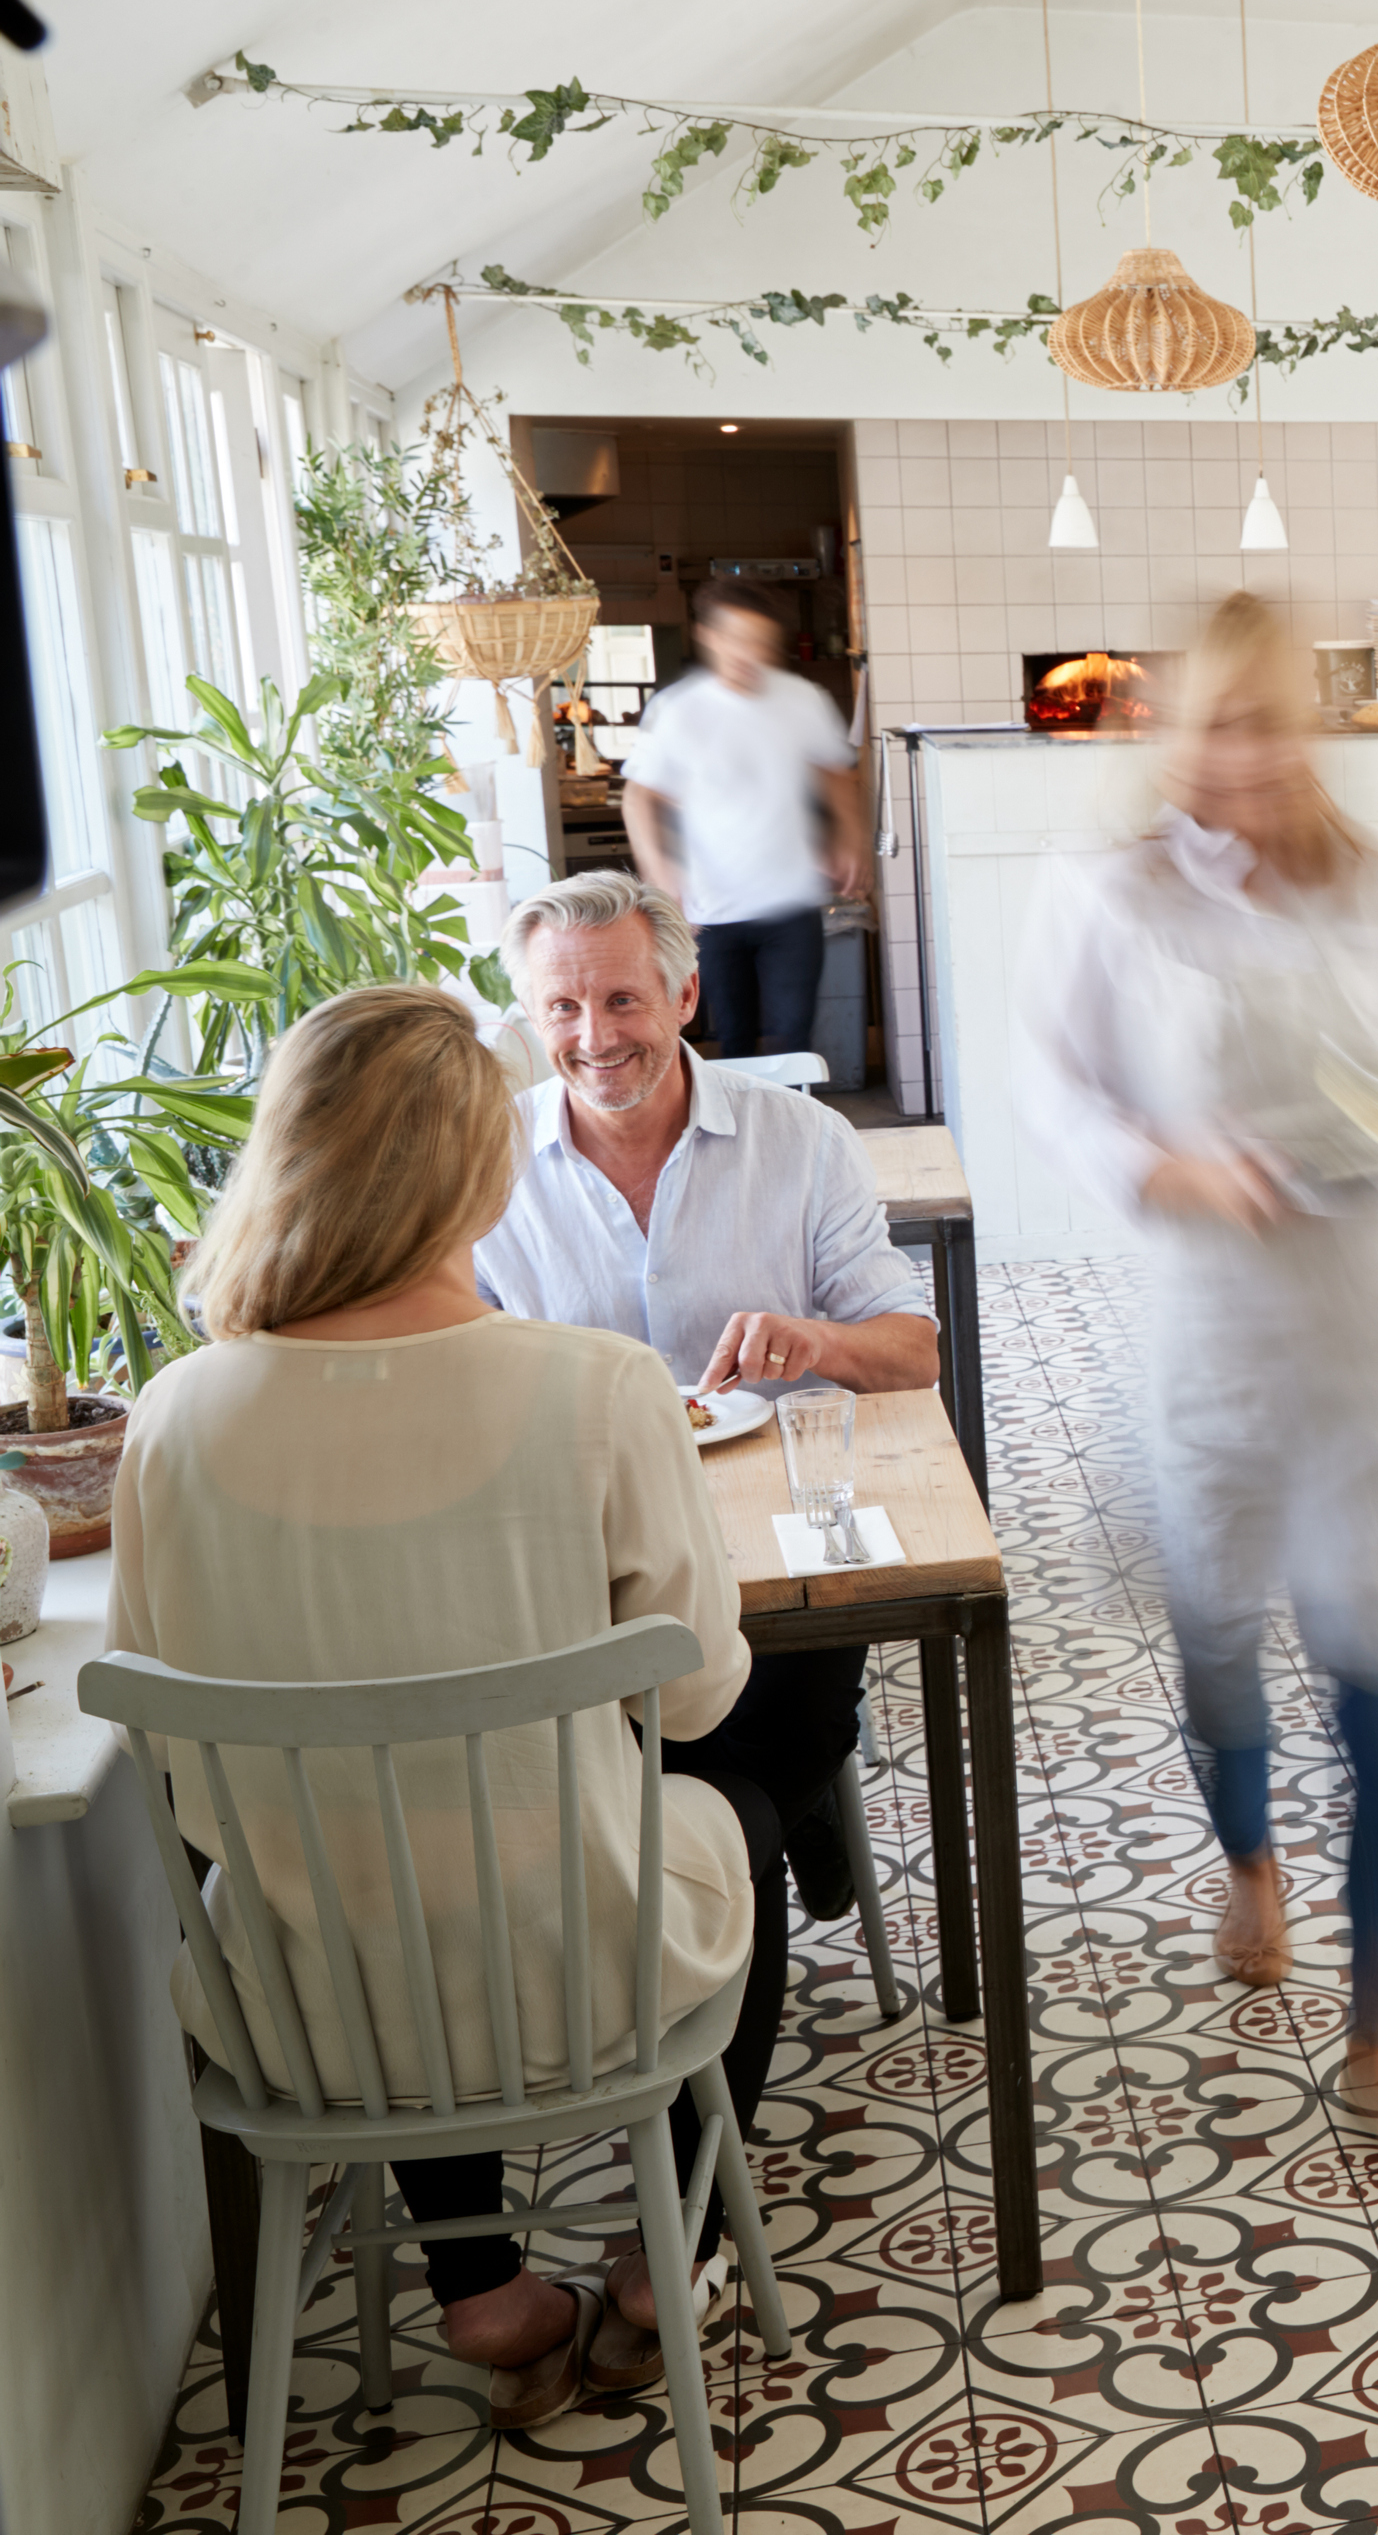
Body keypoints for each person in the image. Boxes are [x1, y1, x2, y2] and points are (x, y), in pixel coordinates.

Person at [117, 986, 770, 2430]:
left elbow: (172, 1759)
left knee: (370, 1864)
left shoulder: (173, 1416)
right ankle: (667, 2275)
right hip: (588, 1980)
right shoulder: (598, 1391)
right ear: (481, 1168)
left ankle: (481, 2295)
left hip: (306, 2014)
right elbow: (706, 1692)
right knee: (742, 1826)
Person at [1021, 592, 1378, 2139]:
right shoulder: (1116, 897)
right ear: (1180, 734)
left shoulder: (1367, 886)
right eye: (1227, 721)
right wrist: (1164, 1166)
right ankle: (1248, 1855)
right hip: (1210, 1329)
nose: (1254, 753)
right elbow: (1056, 1084)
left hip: (1354, 1332)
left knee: (1375, 1674)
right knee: (1218, 1643)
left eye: (1280, 720)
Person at [474, 870, 939, 1925]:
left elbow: (914, 1349)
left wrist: (814, 1336)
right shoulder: (488, 1159)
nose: (593, 1034)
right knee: (632, 1765)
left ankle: (733, 1863)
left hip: (780, 1542)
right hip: (579, 1555)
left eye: (622, 999)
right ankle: (771, 1832)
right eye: (561, 1006)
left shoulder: (804, 1142)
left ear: (685, 998)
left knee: (752, 1753)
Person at [619, 578, 866, 1061]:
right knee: (733, 1042)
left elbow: (836, 774)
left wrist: (849, 837)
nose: (748, 653)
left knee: (793, 1040)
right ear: (708, 636)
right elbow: (638, 797)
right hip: (713, 912)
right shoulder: (678, 710)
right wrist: (659, 872)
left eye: (760, 641)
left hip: (792, 903)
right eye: (736, 638)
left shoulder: (801, 698)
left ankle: (794, 1133)